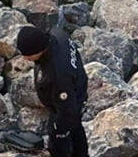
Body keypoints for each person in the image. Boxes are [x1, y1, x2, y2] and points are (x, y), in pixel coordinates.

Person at [17, 16, 89, 157]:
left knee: (64, 137)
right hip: (77, 83)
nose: (25, 58)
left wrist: (59, 131)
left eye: (27, 55)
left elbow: (67, 111)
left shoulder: (57, 75)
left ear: (38, 50)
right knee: (76, 128)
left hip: (69, 102)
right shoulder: (57, 34)